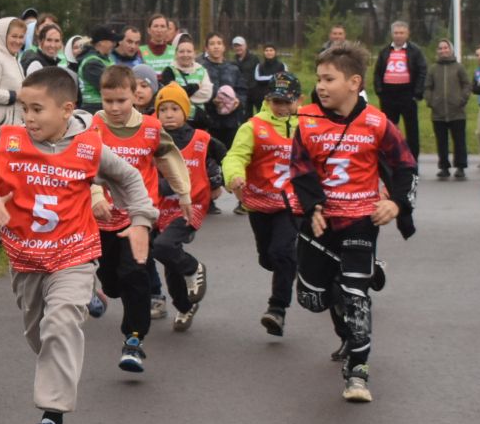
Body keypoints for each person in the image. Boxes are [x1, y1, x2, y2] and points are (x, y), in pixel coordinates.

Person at [0, 67, 155, 424]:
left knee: (61, 323)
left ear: (67, 110)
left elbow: (131, 179)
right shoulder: (10, 143)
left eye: (37, 110)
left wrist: (141, 220)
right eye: (22, 109)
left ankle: (51, 423)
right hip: (27, 260)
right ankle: (88, 302)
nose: (28, 118)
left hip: (74, 255)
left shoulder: (89, 148)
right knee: (42, 338)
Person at [289, 41, 417, 402]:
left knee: (355, 294)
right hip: (321, 224)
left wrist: (396, 203)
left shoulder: (378, 123)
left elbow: (406, 166)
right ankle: (352, 292)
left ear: (354, 82)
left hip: (361, 220)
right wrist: (312, 207)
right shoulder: (307, 121)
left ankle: (358, 372)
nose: (321, 86)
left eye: (329, 79)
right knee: (313, 298)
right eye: (319, 79)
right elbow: (298, 169)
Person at [93, 64, 192, 370]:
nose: (114, 108)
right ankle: (106, 292)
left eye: (121, 101)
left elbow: (169, 158)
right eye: (108, 101)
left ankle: (134, 340)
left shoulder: (150, 128)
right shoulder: (94, 125)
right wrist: (96, 196)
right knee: (111, 282)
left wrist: (184, 193)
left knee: (135, 273)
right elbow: (84, 164)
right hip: (102, 217)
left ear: (134, 96)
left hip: (138, 217)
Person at [224, 72, 303, 335]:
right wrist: (235, 177)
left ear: (298, 100)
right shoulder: (253, 126)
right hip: (259, 203)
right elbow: (235, 156)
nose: (280, 107)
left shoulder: (308, 126)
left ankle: (277, 309)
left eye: (286, 102)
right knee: (269, 259)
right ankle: (293, 263)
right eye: (275, 101)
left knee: (282, 252)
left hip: (292, 202)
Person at [151, 83, 218, 331]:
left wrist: (218, 176)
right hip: (160, 209)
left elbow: (219, 157)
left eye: (174, 108)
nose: (168, 114)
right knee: (167, 261)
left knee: (164, 246)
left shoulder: (201, 138)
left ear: (186, 111)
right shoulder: (152, 140)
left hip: (190, 207)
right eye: (163, 109)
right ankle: (184, 305)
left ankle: (194, 267)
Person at [373, 21, 427, 153]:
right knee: (388, 129)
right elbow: (377, 72)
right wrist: (380, 91)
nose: (398, 36)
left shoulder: (415, 51)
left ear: (407, 34)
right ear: (392, 34)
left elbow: (422, 71)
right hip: (388, 95)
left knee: (412, 130)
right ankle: (391, 160)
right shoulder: (385, 51)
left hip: (407, 94)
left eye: (401, 33)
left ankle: (412, 162)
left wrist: (417, 93)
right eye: (396, 33)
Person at [424, 38, 473, 180]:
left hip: (457, 112)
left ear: (450, 50)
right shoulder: (433, 69)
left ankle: (460, 167)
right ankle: (444, 167)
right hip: (438, 113)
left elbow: (466, 84)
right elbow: (427, 87)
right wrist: (431, 101)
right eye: (440, 48)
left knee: (459, 141)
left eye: (445, 48)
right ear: (437, 51)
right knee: (441, 141)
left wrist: (462, 99)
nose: (443, 50)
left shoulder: (459, 67)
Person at [0, 16, 29, 128]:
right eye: (14, 36)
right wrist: (16, 95)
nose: (18, 41)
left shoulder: (14, 59)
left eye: (21, 37)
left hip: (13, 129)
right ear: (2, 35)